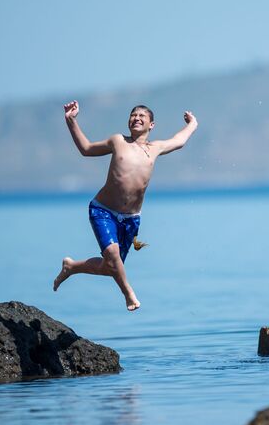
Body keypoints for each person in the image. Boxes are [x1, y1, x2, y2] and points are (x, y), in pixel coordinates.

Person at [54, 101, 198, 311]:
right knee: (112, 256)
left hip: (131, 218)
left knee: (111, 267)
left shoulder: (155, 148)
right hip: (103, 210)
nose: (136, 118)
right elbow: (86, 149)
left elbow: (179, 141)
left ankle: (71, 266)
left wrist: (192, 123)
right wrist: (71, 120)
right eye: (133, 115)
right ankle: (128, 294)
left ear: (152, 125)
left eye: (142, 116)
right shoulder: (118, 141)